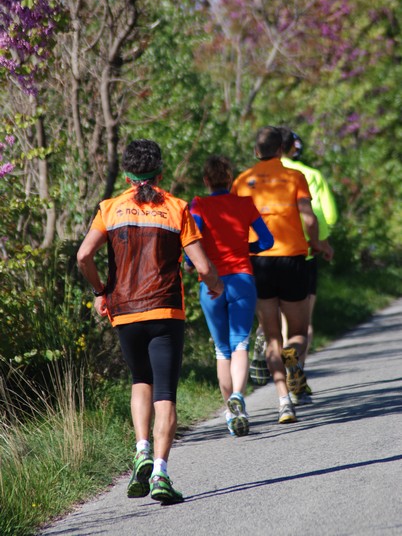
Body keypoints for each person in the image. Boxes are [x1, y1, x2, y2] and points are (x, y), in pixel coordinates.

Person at [77, 139, 223, 506]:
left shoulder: (109, 209)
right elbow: (203, 266)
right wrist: (216, 286)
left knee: (139, 380)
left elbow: (84, 255)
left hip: (125, 312)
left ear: (127, 175)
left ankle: (141, 449)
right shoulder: (177, 208)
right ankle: (160, 472)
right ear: (160, 173)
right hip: (165, 311)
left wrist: (101, 290)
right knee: (165, 393)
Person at [231, 126, 325, 424]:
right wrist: (318, 243)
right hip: (293, 259)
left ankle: (284, 401)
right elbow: (308, 218)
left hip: (257, 263)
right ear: (281, 150)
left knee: (271, 335)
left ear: (256, 151)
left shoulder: (242, 181)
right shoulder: (294, 177)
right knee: (297, 332)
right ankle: (292, 361)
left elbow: (232, 226)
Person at [185, 155, 274, 436]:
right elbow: (268, 240)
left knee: (221, 350)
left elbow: (190, 241)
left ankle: (230, 410)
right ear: (230, 177)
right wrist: (248, 250)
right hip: (242, 280)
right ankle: (238, 396)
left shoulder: (197, 205)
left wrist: (189, 264)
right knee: (240, 345)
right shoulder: (244, 203)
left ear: (206, 180)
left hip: (210, 282)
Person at [280, 127, 336, 373]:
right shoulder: (310, 175)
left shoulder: (253, 178)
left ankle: (269, 342)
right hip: (303, 253)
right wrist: (322, 242)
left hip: (265, 255)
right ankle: (297, 370)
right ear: (295, 146)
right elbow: (328, 215)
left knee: (277, 318)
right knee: (303, 323)